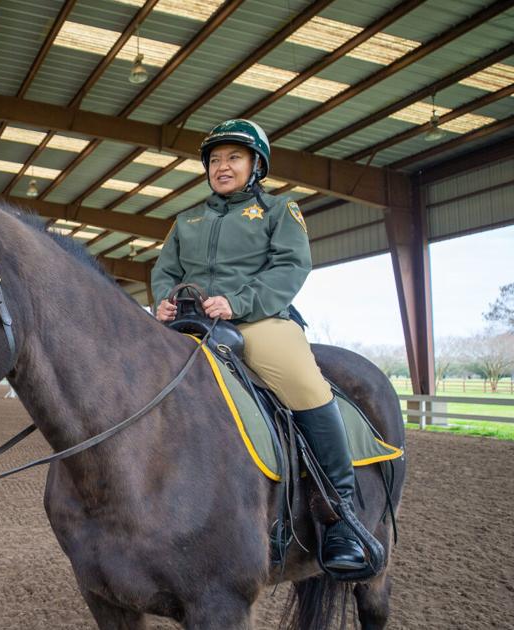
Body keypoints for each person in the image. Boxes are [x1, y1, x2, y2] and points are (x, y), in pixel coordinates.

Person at [150, 119, 374, 572]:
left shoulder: (279, 210)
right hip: (191, 322)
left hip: (259, 320)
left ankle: (340, 518)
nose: (222, 167)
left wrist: (237, 303)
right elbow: (165, 272)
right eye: (215, 160)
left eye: (233, 157)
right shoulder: (186, 219)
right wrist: (164, 301)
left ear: (256, 165)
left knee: (303, 383)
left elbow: (290, 267)